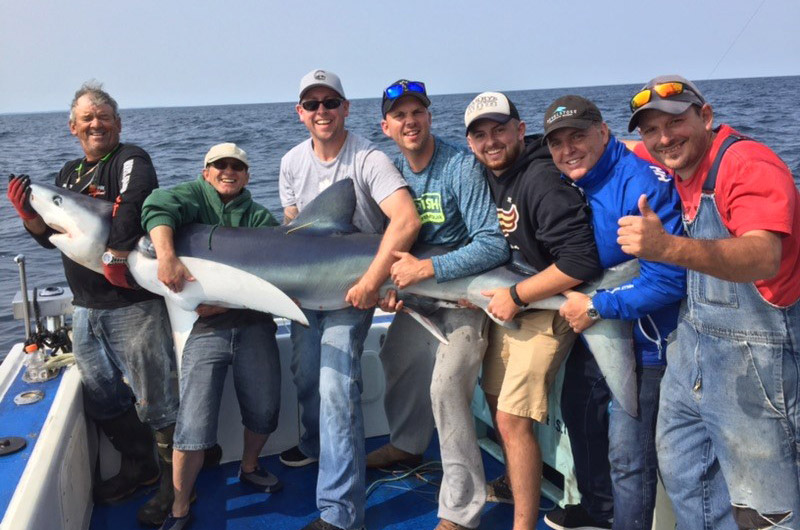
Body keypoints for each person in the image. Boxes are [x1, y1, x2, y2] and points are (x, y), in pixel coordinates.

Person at [619, 75, 800, 529]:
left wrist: (666, 249)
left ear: (706, 117)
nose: (664, 138)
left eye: (676, 122)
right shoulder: (669, 157)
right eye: (651, 129)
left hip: (755, 361)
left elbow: (764, 254)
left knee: (764, 507)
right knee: (684, 472)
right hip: (692, 347)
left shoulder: (748, 164)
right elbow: (619, 146)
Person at [5, 82, 180, 527]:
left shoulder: (131, 159)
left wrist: (117, 254)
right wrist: (30, 218)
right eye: (87, 118)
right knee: (102, 398)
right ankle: (139, 466)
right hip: (84, 307)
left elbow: (133, 205)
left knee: (157, 401)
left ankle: (175, 488)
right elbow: (52, 239)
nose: (95, 124)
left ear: (117, 123)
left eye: (103, 116)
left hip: (133, 306)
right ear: (73, 127)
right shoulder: (67, 173)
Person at [278, 69, 421, 530]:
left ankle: (341, 513)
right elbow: (294, 223)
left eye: (330, 102)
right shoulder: (290, 163)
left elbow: (405, 220)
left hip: (355, 291)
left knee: (336, 386)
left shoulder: (369, 158)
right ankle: (319, 448)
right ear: (300, 113)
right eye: (312, 104)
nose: (322, 111)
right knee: (304, 376)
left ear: (346, 108)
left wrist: (373, 283)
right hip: (305, 296)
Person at [535, 95, 685, 530]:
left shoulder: (640, 184)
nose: (568, 150)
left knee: (627, 457)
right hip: (597, 332)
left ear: (604, 132)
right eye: (558, 142)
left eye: (578, 136)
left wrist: (597, 306)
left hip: (647, 343)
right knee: (577, 413)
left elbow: (669, 282)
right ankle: (598, 512)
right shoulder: (574, 182)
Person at [367, 80, 510, 530]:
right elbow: (389, 245)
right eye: (400, 116)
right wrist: (393, 285)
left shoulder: (459, 168)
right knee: (395, 354)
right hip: (419, 296)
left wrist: (426, 272)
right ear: (386, 126)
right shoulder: (393, 175)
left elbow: (493, 244)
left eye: (417, 113)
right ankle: (408, 444)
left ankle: (461, 509)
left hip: (465, 298)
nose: (410, 122)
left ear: (429, 117)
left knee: (446, 387)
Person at [464, 92, 601, 530]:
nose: (492, 142)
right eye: (480, 135)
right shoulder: (489, 175)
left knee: (510, 416)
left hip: (549, 307)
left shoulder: (541, 179)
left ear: (521, 131)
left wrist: (519, 296)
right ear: (470, 144)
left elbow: (580, 263)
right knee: (490, 394)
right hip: (513, 301)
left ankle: (523, 526)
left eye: (500, 130)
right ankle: (512, 479)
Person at [141, 143, 283, 530]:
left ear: (248, 175)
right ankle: (181, 506)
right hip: (206, 330)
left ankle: (250, 467)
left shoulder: (259, 217)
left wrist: (228, 305)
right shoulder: (192, 199)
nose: (228, 171)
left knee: (266, 408)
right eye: (220, 165)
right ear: (206, 172)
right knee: (193, 424)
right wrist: (166, 256)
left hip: (254, 324)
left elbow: (275, 275)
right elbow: (156, 203)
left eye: (237, 166)